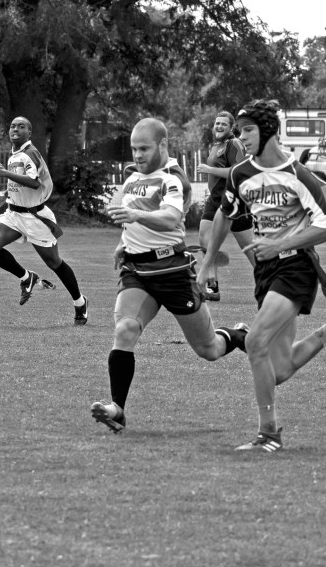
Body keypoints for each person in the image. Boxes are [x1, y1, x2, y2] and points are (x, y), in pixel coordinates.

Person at [197, 100, 326, 452]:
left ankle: (269, 434)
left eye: (248, 130)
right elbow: (225, 214)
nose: (242, 136)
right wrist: (207, 263)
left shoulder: (297, 174)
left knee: (254, 343)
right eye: (241, 130)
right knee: (278, 369)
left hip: (296, 268)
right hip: (267, 270)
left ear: (268, 131)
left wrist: (283, 243)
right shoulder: (241, 174)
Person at [89, 117, 249, 433]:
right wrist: (123, 242)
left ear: (162, 145)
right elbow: (129, 221)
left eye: (144, 148)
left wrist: (137, 214)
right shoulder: (132, 178)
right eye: (134, 149)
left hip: (174, 273)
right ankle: (117, 410)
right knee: (125, 330)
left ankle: (239, 334)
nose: (137, 155)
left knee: (209, 351)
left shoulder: (173, 178)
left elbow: (170, 216)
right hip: (137, 272)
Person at [0, 116, 87, 324]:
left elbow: (34, 183)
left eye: (22, 127)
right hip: (14, 214)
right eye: (12, 126)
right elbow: (19, 182)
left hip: (35, 217)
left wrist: (3, 173)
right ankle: (26, 277)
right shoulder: (15, 154)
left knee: (54, 262)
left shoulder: (30, 153)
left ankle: (80, 302)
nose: (16, 129)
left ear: (29, 133)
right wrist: (5, 194)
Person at [196, 110, 256, 300]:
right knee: (204, 237)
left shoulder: (234, 143)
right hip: (215, 199)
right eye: (217, 123)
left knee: (249, 248)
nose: (219, 126)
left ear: (231, 128)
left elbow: (240, 171)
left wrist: (209, 169)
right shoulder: (216, 145)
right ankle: (212, 286)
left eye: (224, 124)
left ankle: (270, 279)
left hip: (234, 199)